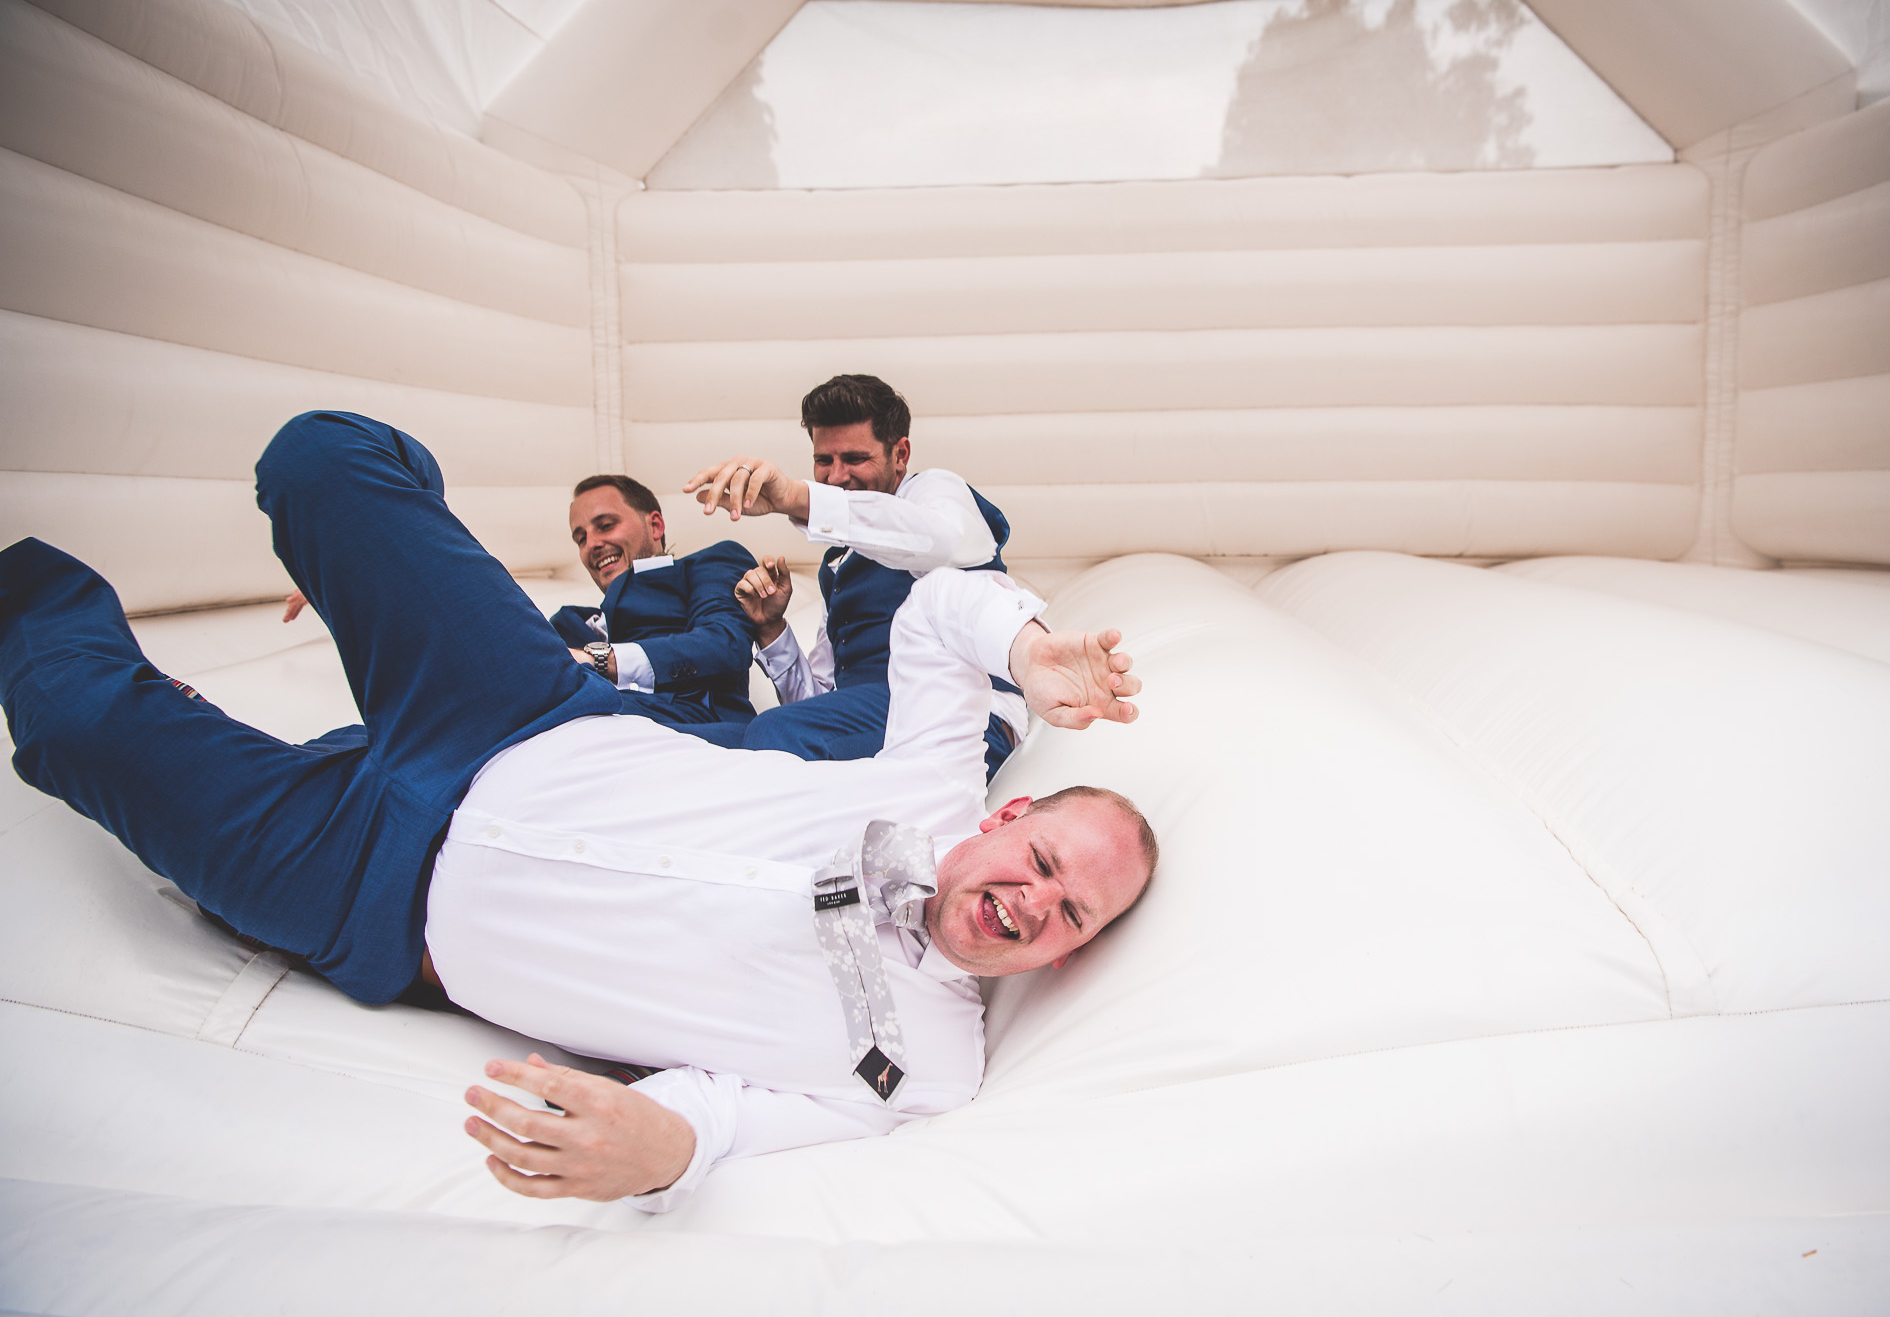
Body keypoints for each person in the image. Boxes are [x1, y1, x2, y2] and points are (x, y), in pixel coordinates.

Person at [1, 409, 1152, 1209]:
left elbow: (733, 1115)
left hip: (365, 894)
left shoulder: (931, 1069)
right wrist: (1032, 645)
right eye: (1048, 859)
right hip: (512, 717)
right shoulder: (932, 784)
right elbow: (941, 607)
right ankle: (394, 546)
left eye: (1074, 914)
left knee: (73, 728)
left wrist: (663, 1149)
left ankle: (41, 605)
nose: (1035, 902)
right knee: (319, 462)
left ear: (1070, 959)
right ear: (1011, 819)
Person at [684, 373, 1025, 777]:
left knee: (777, 735)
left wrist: (797, 498)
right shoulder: (839, 565)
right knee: (713, 747)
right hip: (876, 721)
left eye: (855, 459)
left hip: (963, 715)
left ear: (900, 454)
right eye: (824, 461)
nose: (836, 477)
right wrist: (772, 630)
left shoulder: (935, 493)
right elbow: (818, 701)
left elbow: (944, 540)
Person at [550, 474, 757, 746]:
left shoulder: (707, 565)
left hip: (694, 730)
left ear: (655, 526)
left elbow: (724, 644)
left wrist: (606, 660)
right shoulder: (571, 622)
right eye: (581, 539)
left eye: (606, 526)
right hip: (588, 743)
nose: (592, 545)